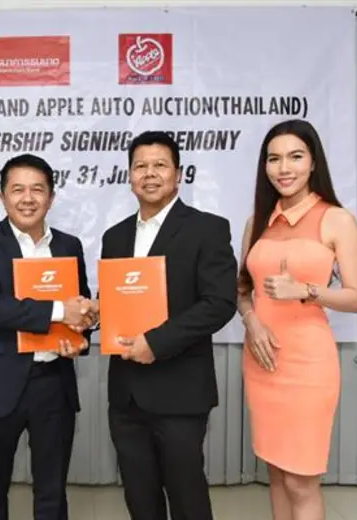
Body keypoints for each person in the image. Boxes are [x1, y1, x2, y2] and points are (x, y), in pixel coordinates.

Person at [93, 130, 237, 520]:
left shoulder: (207, 229)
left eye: (160, 165)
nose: (150, 174)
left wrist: (156, 342)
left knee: (187, 498)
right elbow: (116, 300)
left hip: (180, 391)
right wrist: (94, 313)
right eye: (140, 166)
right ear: (129, 176)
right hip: (126, 394)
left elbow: (219, 303)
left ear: (178, 174)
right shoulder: (115, 236)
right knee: (140, 498)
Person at [237, 118, 357, 520]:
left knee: (300, 480)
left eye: (295, 157)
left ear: (313, 163)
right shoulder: (257, 222)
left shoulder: (337, 219)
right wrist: (252, 322)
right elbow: (242, 290)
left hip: (308, 364)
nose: (284, 168)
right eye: (273, 159)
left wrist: (307, 290)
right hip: (261, 360)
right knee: (276, 473)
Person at [0, 153, 94, 520]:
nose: (27, 198)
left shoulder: (68, 245)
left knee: (52, 490)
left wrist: (82, 332)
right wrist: (61, 311)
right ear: (2, 197)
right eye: (17, 190)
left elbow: (80, 306)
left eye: (37, 189)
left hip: (53, 383)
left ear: (51, 197)